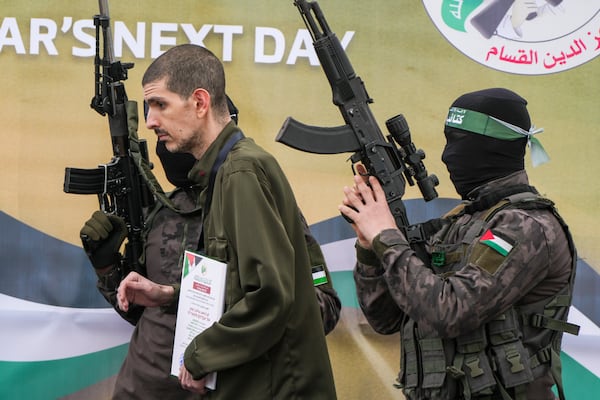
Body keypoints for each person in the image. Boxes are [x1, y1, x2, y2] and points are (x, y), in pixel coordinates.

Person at [80, 44, 338, 399]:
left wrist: (202, 355)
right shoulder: (218, 180)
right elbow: (237, 286)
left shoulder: (241, 173)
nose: (151, 121)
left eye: (160, 105)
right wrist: (166, 294)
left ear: (200, 103)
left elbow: (271, 295)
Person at [339, 88, 579, 400]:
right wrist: (369, 246)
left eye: (459, 142)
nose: (448, 154)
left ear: (493, 147)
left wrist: (385, 235)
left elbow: (449, 312)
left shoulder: (527, 226)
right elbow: (384, 318)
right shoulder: (459, 223)